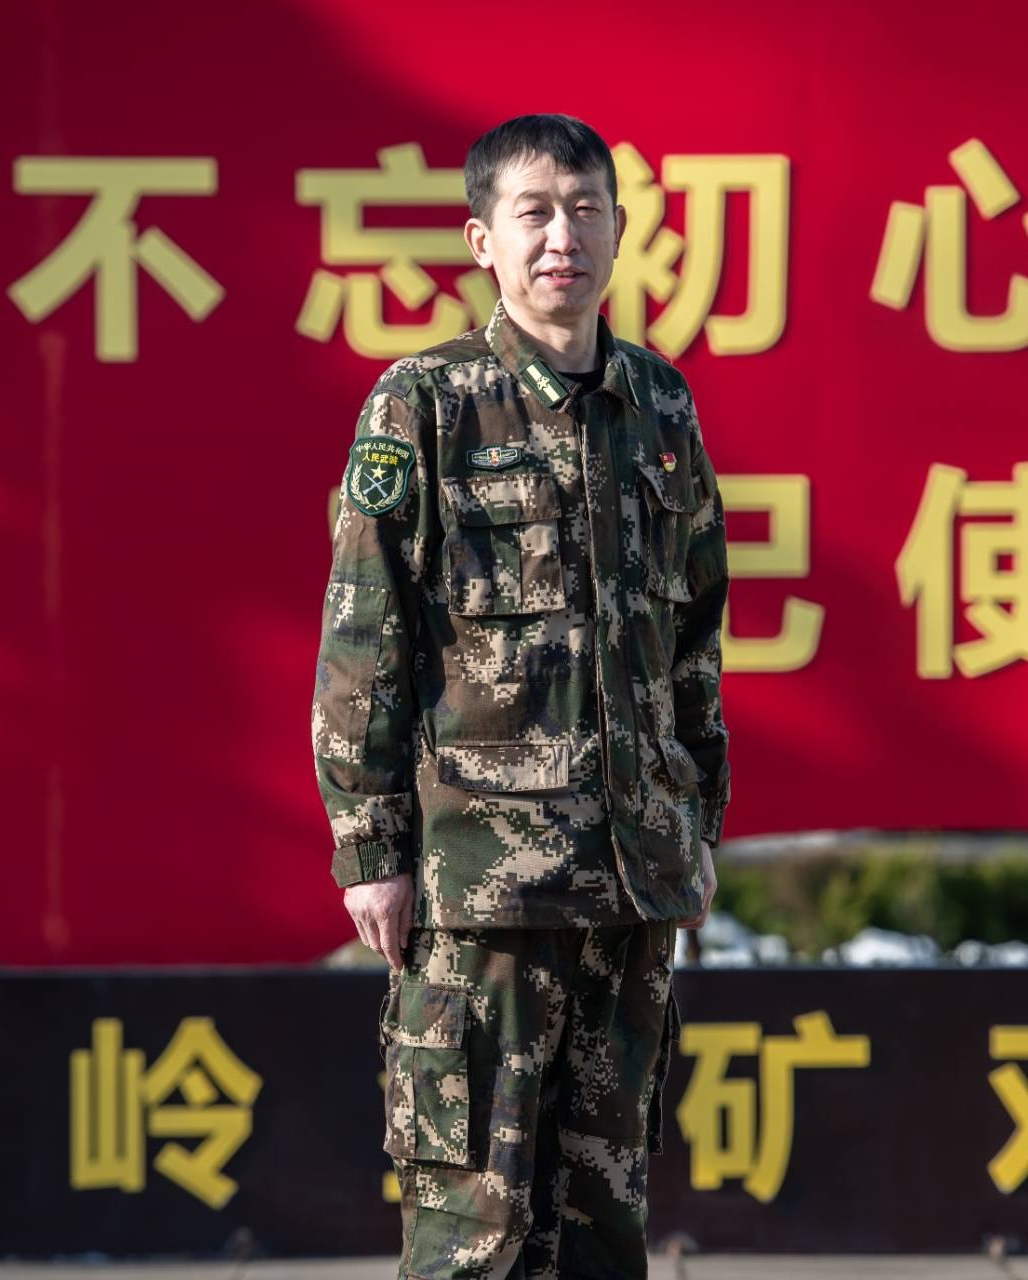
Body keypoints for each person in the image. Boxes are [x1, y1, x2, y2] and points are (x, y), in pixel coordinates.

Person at [311, 113, 730, 1279]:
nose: (563, 237)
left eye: (586, 209)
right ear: (481, 240)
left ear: (619, 229)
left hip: (630, 885)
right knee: (473, 1236)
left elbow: (692, 639)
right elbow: (364, 634)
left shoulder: (659, 407)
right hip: (478, 889)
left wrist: (696, 824)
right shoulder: (425, 404)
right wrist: (370, 846)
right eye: (534, 213)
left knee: (602, 1230)